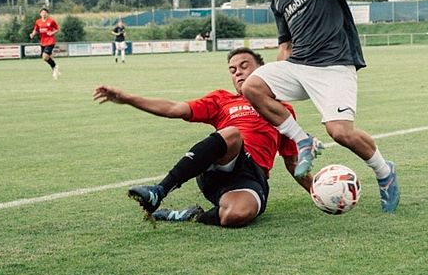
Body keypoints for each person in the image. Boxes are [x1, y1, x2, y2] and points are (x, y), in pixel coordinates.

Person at [236, 0, 399, 213]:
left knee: (340, 133)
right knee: (253, 86)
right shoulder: (278, 0)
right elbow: (285, 46)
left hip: (334, 63)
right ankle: (303, 141)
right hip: (299, 65)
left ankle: (384, 172)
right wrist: (274, 89)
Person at [93, 47, 305, 227]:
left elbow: (292, 162)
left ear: (262, 70)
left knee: (237, 215)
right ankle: (159, 191)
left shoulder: (282, 109)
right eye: (232, 70)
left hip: (251, 176)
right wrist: (127, 98)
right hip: (219, 165)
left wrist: (317, 189)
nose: (238, 73)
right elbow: (175, 108)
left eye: (244, 66)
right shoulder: (222, 99)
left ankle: (192, 215)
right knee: (233, 133)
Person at [29, 7, 61, 79]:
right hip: (43, 42)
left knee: (44, 57)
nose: (43, 14)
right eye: (42, 12)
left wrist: (52, 32)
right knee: (47, 58)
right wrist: (32, 34)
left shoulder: (51, 21)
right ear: (40, 14)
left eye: (45, 12)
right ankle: (55, 68)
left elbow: (57, 29)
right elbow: (36, 30)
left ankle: (55, 67)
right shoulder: (38, 22)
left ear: (47, 14)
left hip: (50, 41)